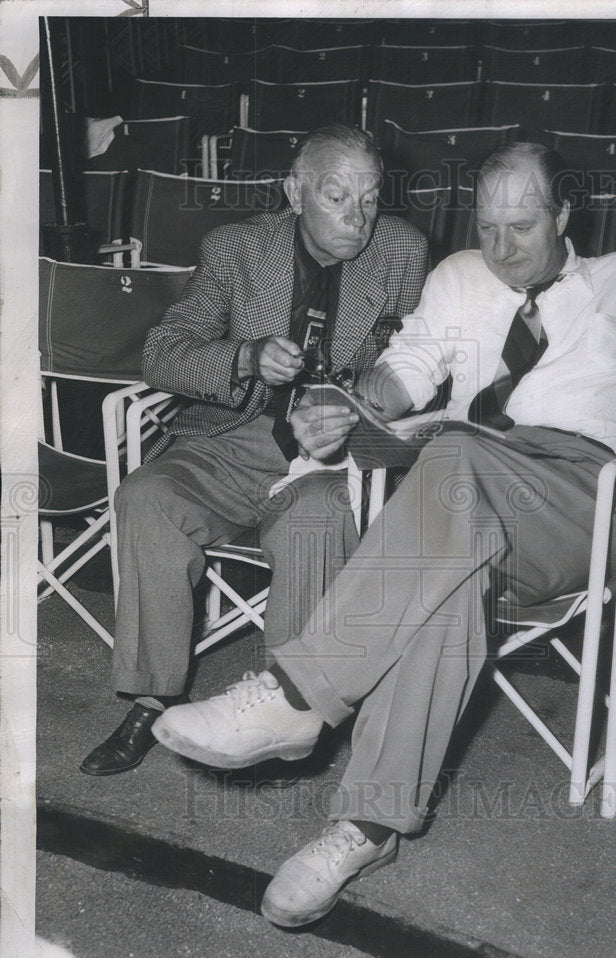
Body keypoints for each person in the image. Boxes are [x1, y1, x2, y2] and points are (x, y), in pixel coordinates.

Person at [152, 142, 616, 926]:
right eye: (487, 226)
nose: (500, 248)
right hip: (470, 493)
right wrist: (353, 403)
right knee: (450, 565)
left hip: (593, 496)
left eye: (522, 226)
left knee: (456, 455)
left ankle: (298, 694)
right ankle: (366, 824)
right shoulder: (458, 276)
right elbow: (406, 369)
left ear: (564, 216)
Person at [79, 125, 429, 777]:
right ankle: (151, 698)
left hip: (330, 456)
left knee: (316, 516)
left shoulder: (403, 251)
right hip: (230, 440)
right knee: (146, 496)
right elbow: (162, 354)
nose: (358, 218)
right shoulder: (236, 248)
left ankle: (285, 705)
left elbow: (423, 366)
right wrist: (245, 357)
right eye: (336, 196)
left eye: (371, 199)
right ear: (295, 193)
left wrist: (356, 401)